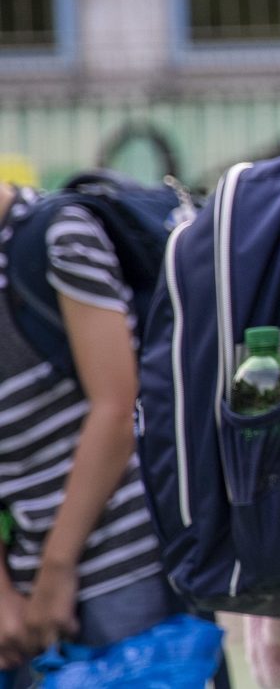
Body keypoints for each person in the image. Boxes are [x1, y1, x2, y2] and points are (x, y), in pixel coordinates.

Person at [0, 184, 175, 676]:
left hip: (125, 566)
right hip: (23, 591)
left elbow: (117, 409)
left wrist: (57, 570)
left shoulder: (58, 235)